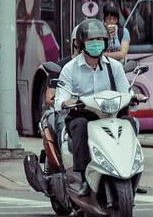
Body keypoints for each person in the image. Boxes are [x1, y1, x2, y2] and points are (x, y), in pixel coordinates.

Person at [54, 18, 131, 193]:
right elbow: (59, 99)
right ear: (81, 44)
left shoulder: (115, 67)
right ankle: (83, 180)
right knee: (79, 127)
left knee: (129, 123)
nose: (96, 44)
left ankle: (129, 172)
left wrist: (134, 97)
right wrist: (67, 102)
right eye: (91, 40)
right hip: (83, 116)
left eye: (99, 40)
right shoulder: (70, 68)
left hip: (110, 116)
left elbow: (125, 92)